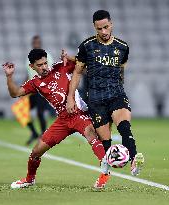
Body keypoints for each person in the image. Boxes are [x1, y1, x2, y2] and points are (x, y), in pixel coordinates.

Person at [3, 48, 108, 189]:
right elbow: (15, 93)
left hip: (79, 114)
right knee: (36, 152)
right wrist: (9, 76)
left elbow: (85, 64)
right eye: (39, 65)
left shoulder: (61, 67)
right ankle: (29, 179)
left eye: (45, 63)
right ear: (31, 67)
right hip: (63, 121)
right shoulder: (34, 82)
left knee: (90, 134)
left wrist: (69, 57)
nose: (44, 67)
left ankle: (105, 173)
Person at [66, 10, 144, 188]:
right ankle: (104, 174)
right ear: (94, 27)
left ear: (112, 24)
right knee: (106, 142)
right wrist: (71, 97)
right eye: (99, 28)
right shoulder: (86, 46)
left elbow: (121, 70)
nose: (103, 31)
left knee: (124, 127)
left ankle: (134, 161)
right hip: (96, 99)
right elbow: (77, 72)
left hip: (116, 95)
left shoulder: (123, 47)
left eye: (106, 27)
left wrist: (119, 85)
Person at [25, 35, 54, 145]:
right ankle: (34, 132)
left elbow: (50, 72)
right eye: (34, 42)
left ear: (40, 43)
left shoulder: (47, 57)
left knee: (40, 112)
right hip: (31, 89)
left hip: (41, 89)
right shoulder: (29, 58)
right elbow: (28, 73)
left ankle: (43, 136)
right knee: (21, 111)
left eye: (38, 42)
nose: (36, 44)